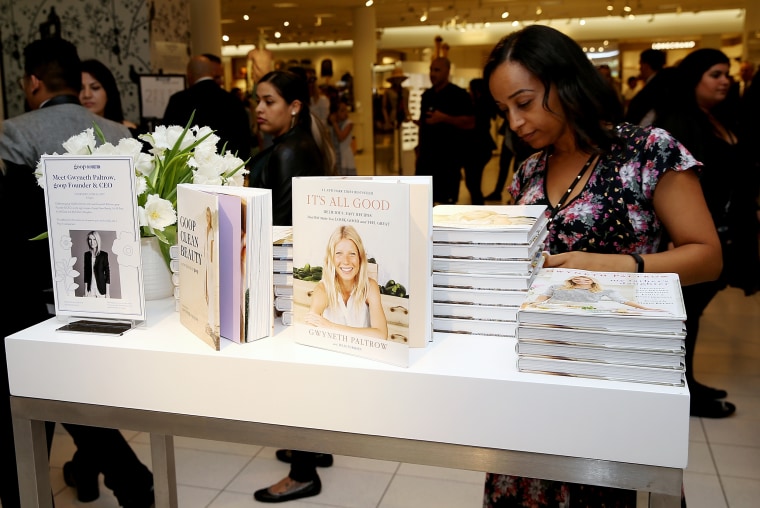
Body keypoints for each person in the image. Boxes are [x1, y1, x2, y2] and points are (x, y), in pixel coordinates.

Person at [482, 24, 721, 507]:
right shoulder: (528, 169)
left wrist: (614, 265)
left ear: (565, 82)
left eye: (524, 103)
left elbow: (707, 256)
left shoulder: (648, 151)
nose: (514, 121)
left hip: (620, 373)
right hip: (536, 373)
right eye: (504, 109)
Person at [0, 38, 154, 508]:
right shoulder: (117, 132)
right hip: (109, 288)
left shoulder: (13, 133)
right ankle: (118, 478)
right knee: (67, 395)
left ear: (32, 81)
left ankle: (43, 491)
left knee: (37, 400)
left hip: (32, 290)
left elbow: (15, 225)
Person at [653, 48, 760, 418]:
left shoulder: (715, 118)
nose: (724, 81)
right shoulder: (678, 125)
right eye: (715, 74)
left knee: (693, 313)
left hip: (723, 229)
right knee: (686, 313)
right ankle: (682, 388)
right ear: (694, 78)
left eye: (727, 74)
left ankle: (687, 384)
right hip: (692, 235)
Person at [247, 69, 335, 503]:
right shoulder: (302, 144)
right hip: (306, 274)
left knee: (292, 377)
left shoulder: (288, 152)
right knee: (305, 371)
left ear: (294, 107)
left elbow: (281, 229)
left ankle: (302, 473)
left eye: (269, 101)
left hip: (288, 276)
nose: (259, 109)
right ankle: (313, 449)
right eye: (257, 101)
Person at [162, 54, 251, 164]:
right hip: (226, 171)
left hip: (188, 172)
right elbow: (244, 141)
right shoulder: (232, 100)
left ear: (189, 75)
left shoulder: (179, 101)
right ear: (212, 73)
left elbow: (167, 139)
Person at [305, 225, 388, 338]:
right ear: (331, 258)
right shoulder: (322, 290)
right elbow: (309, 333)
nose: (346, 261)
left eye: (352, 254)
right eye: (339, 253)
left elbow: (381, 335)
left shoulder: (370, 287)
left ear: (360, 257)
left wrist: (331, 327)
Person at [415, 57, 475, 204]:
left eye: (437, 70)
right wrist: (419, 148)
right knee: (422, 202)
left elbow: (470, 123)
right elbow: (424, 124)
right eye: (431, 70)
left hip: (448, 161)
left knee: (445, 205)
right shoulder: (427, 95)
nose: (432, 74)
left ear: (447, 72)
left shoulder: (459, 95)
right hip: (426, 160)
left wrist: (444, 118)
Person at [526, 274, 658, 311]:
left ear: (592, 280)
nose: (581, 279)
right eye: (578, 277)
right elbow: (542, 297)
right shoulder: (557, 286)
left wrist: (646, 308)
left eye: (586, 277)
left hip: (586, 311)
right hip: (557, 310)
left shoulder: (605, 291)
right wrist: (533, 304)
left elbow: (623, 301)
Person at [463, 78, 497, 205]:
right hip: (481, 148)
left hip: (477, 148)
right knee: (473, 182)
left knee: (473, 182)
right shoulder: (484, 104)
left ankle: (478, 207)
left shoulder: (480, 105)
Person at [80, 58, 139, 132]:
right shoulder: (67, 129)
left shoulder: (125, 130)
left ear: (108, 92)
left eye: (95, 88)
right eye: (80, 88)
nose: (87, 95)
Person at [624, 48, 667, 125]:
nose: (640, 68)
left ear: (646, 65)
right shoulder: (663, 83)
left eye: (640, 64)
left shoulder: (654, 87)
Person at [204, 207, 220, 346]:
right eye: (206, 216)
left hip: (213, 266)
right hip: (208, 266)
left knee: (213, 295)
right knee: (208, 294)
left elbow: (212, 252)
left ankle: (214, 325)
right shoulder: (206, 230)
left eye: (209, 216)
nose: (207, 218)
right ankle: (210, 322)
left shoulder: (214, 232)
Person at [329, 100, 356, 175]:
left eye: (346, 110)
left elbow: (341, 137)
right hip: (336, 156)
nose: (345, 113)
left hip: (346, 156)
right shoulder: (331, 126)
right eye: (342, 111)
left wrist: (334, 123)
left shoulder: (349, 123)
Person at [83, 231, 110, 298]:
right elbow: (86, 273)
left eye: (94, 239)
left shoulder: (104, 255)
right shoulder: (87, 255)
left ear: (97, 240)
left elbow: (107, 274)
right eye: (90, 239)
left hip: (101, 289)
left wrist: (108, 293)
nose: (92, 242)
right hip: (90, 289)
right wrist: (85, 290)